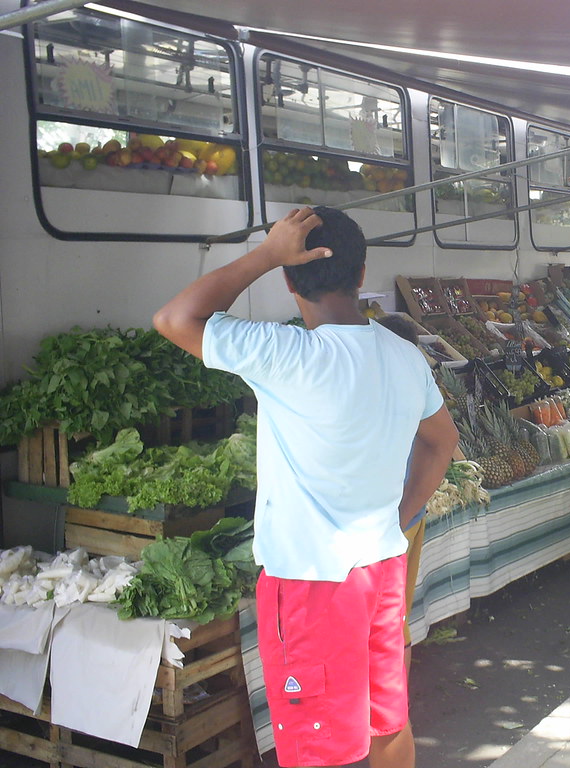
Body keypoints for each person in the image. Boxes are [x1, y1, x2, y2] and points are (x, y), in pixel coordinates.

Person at [153, 206, 459, 768]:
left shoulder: (285, 354)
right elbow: (442, 442)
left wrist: (267, 254)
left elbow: (176, 318)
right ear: (362, 275)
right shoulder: (404, 356)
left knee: (319, 750)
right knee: (388, 724)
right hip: (382, 569)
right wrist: (399, 517)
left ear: (289, 279)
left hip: (312, 585)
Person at [375, 313, 431, 676]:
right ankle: (396, 704)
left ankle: (391, 709)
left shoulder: (380, 387)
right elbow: (444, 442)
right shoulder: (417, 380)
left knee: (388, 620)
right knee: (398, 613)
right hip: (413, 512)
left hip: (393, 519)